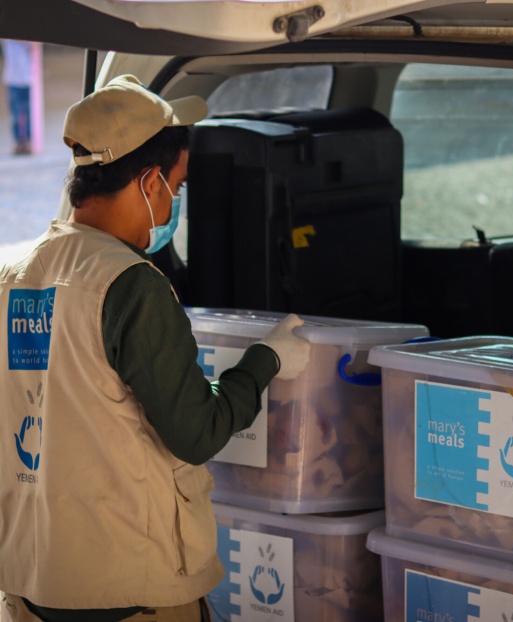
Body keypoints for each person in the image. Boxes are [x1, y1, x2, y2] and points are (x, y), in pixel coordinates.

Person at [0, 74, 311, 622]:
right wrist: (267, 361)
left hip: (29, 583)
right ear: (149, 183)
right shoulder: (130, 284)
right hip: (126, 590)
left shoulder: (13, 274)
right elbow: (197, 430)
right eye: (178, 185)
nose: (174, 204)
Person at [1, 39, 33, 155]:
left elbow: (35, 46)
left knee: (29, 113)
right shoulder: (8, 38)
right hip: (13, 80)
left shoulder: (29, 39)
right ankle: (18, 142)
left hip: (29, 78)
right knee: (15, 113)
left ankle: (29, 141)